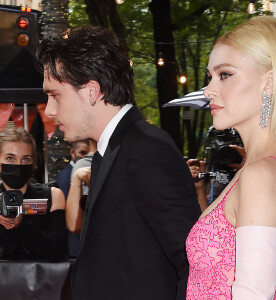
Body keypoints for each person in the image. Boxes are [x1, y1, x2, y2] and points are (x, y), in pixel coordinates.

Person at [38, 26, 200, 300]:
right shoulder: (115, 149)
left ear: (91, 91)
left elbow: (192, 262)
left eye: (54, 95)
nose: (50, 110)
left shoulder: (147, 150)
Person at [186, 16, 276, 299]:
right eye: (210, 76)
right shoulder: (254, 168)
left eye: (225, 74)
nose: (208, 90)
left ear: (269, 81)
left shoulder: (259, 175)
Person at [0, 127, 67, 261]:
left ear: (33, 163)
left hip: (43, 279)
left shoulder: (52, 196)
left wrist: (21, 226)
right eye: (10, 158)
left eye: (25, 159)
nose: (18, 165)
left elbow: (58, 251)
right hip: (0, 280)